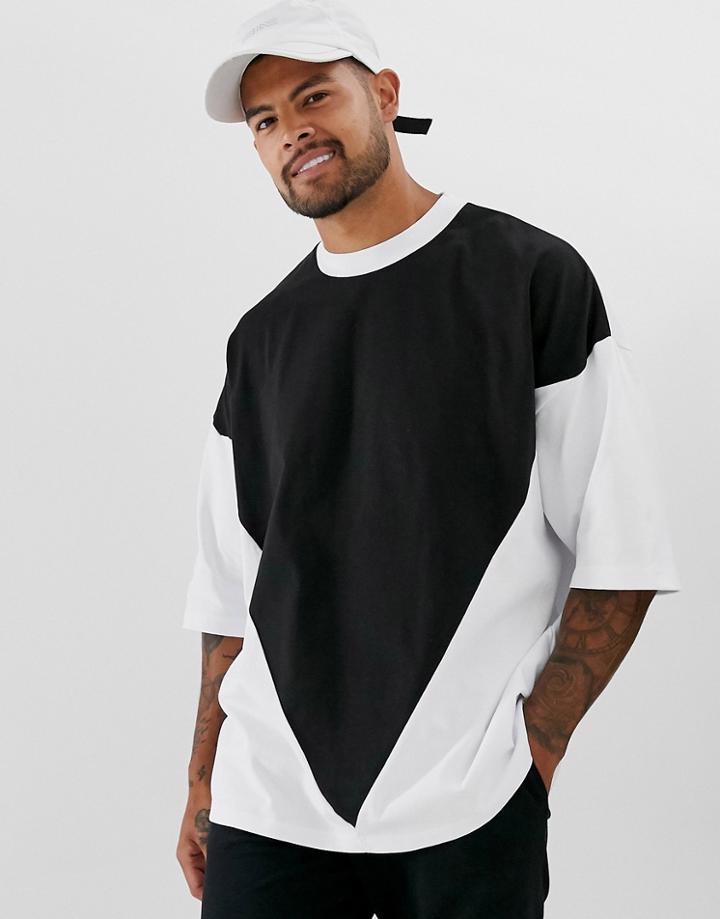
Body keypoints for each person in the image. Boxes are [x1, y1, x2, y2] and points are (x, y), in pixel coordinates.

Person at [175, 1, 682, 916]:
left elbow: (623, 548)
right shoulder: (259, 339)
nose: (292, 131)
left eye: (314, 96)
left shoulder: (529, 277)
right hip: (269, 802)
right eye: (264, 120)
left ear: (384, 94)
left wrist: (535, 752)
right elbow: (228, 590)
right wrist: (203, 778)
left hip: (470, 799)